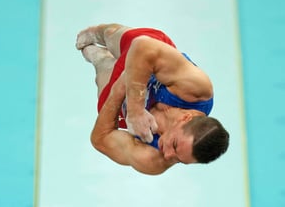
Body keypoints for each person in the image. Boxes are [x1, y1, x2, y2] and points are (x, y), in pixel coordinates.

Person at [76, 24, 229, 175]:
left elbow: (100, 140)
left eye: (179, 160)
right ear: (186, 118)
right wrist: (136, 110)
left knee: (102, 65)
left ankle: (100, 59)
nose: (168, 155)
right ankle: (96, 33)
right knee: (112, 34)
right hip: (144, 60)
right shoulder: (196, 89)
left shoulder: (154, 159)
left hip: (120, 97)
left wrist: (119, 90)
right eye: (174, 146)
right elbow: (142, 46)